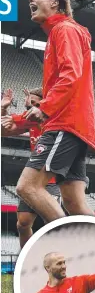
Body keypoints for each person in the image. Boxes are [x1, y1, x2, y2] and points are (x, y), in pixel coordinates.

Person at [4, 0, 95, 223]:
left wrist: (45, 108)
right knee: (74, 203)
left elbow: (71, 74)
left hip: (64, 125)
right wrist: (15, 120)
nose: (30, 0)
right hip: (75, 127)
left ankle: (66, 246)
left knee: (28, 187)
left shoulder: (63, 29)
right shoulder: (65, 31)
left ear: (55, 2)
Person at [1, 88, 62, 248]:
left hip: (53, 180)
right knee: (22, 224)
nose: (32, 106)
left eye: (37, 103)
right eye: (31, 103)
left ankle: (59, 258)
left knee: (52, 224)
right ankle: (26, 261)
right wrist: (3, 109)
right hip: (33, 180)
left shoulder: (55, 119)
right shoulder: (30, 121)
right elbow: (3, 131)